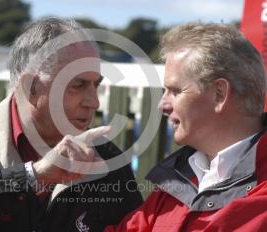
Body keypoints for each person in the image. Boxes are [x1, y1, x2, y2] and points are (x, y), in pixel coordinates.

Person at [0, 18, 142, 232]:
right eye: (79, 85)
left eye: (96, 85)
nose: (94, 102)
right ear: (31, 88)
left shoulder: (107, 161)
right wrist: (33, 176)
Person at [105, 22, 267, 231]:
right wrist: (49, 183)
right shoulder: (181, 179)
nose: (162, 104)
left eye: (175, 91)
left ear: (219, 94)